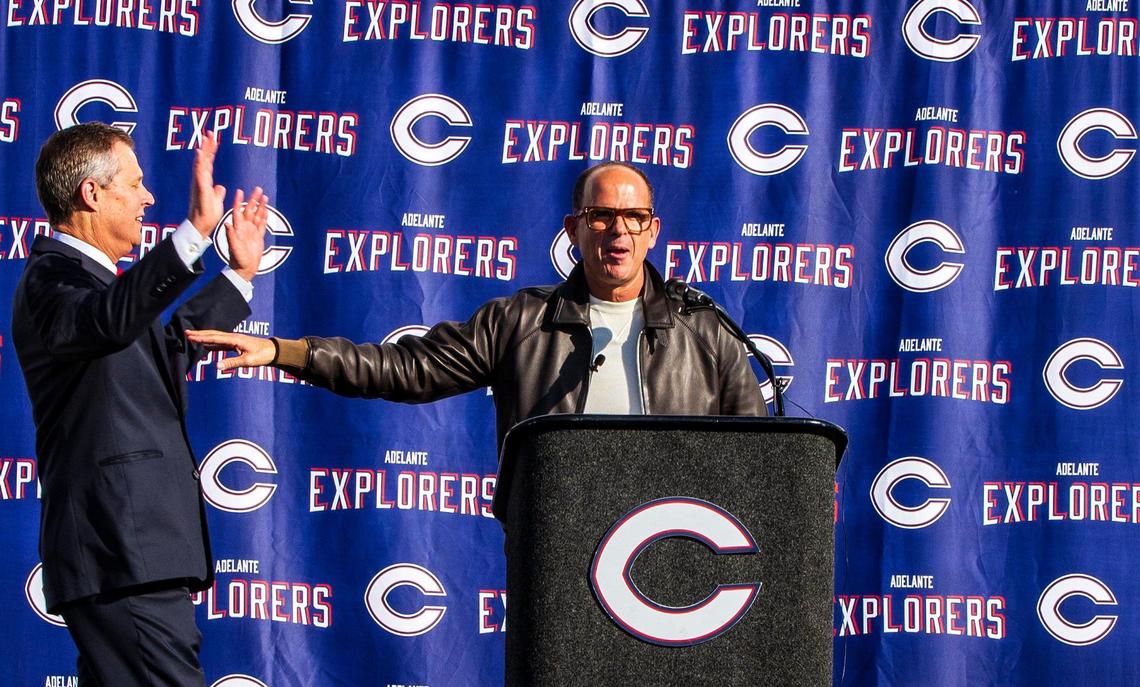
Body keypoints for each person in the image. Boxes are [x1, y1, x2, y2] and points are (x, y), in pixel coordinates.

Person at [188, 162, 765, 452]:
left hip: (679, 547)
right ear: (574, 229)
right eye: (601, 217)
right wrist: (285, 350)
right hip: (558, 547)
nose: (618, 231)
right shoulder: (520, 323)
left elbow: (758, 457)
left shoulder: (706, 332)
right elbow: (404, 369)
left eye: (633, 218)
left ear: (653, 231)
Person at [11, 123, 269, 686]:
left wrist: (241, 275)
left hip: (136, 556)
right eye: (137, 183)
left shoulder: (99, 288)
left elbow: (166, 350)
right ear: (93, 194)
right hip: (120, 553)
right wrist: (195, 231)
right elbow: (110, 322)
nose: (149, 197)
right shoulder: (53, 279)